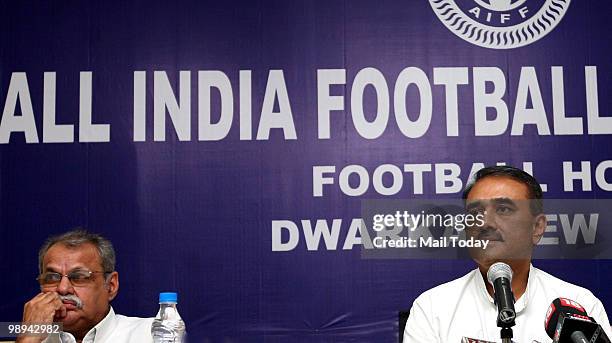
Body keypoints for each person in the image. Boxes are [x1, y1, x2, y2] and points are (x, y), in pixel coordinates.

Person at [403, 165, 611, 342]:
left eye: (503, 209)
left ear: (537, 227)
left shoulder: (579, 305)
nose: (484, 223)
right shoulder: (433, 308)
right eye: (474, 213)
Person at [17, 229, 153, 343]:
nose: (63, 289)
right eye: (52, 278)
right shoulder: (32, 337)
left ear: (111, 286)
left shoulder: (152, 334)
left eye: (79, 277)